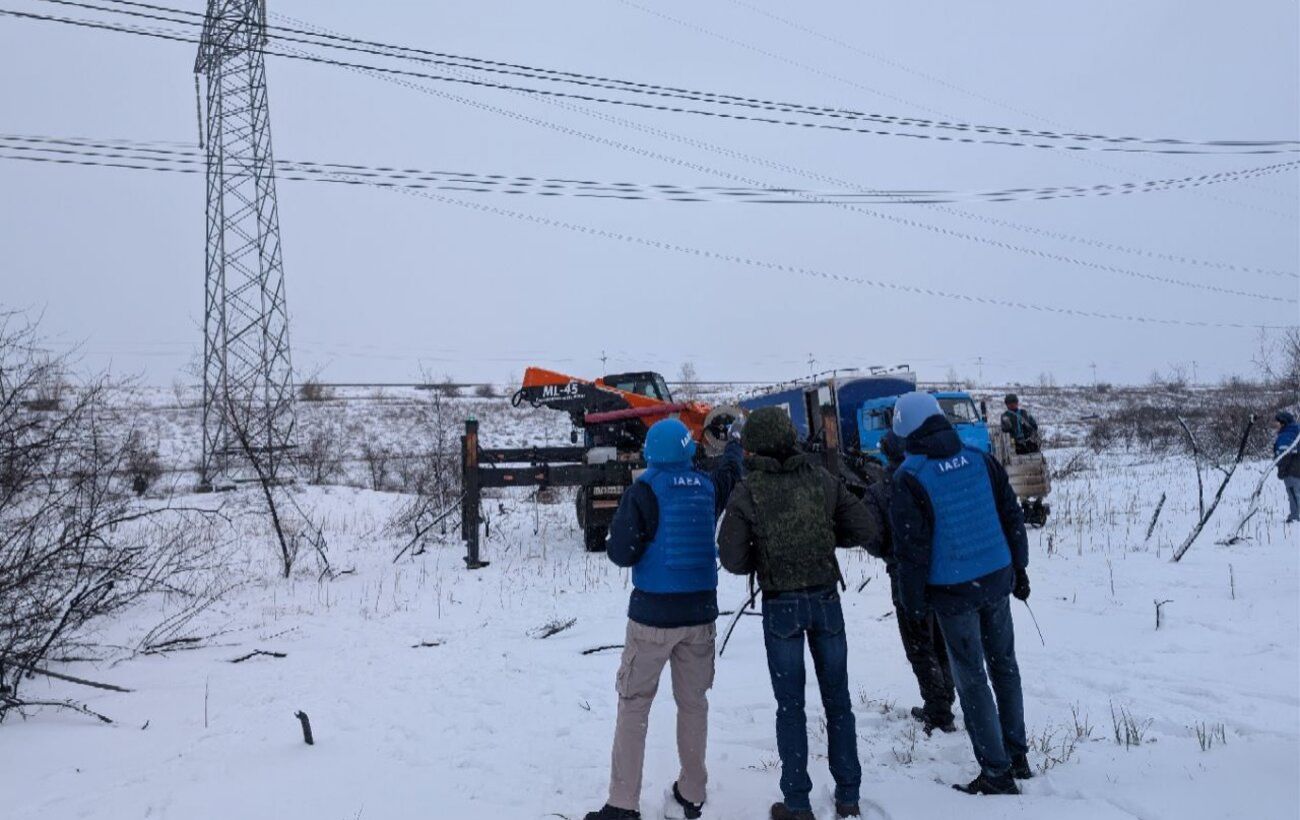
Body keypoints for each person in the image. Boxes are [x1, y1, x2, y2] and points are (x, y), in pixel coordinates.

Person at [718, 407, 882, 820]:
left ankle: (797, 803)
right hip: (826, 600)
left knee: (790, 707)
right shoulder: (821, 480)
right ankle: (849, 796)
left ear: (754, 445)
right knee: (838, 702)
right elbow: (864, 528)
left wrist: (765, 553)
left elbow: (732, 559)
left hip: (782, 607)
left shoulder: (747, 490)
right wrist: (822, 539)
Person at [585, 417, 744, 820]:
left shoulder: (643, 492)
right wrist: (734, 444)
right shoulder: (707, 488)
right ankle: (692, 791)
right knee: (694, 704)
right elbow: (729, 472)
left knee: (634, 703)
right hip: (700, 617)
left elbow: (621, 552)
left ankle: (622, 804)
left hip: (652, 618)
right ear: (688, 451)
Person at [888, 391, 1032, 796]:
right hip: (996, 575)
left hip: (953, 591)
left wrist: (912, 602)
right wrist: (1019, 567)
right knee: (1005, 666)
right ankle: (1017, 756)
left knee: (971, 679)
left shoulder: (909, 477)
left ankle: (996, 772)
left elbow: (911, 551)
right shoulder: (979, 459)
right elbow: (1011, 514)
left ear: (906, 430)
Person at [863, 431, 956, 736]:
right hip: (940, 572)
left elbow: (872, 538)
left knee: (919, 643)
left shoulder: (879, 490)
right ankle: (944, 698)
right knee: (941, 637)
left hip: (903, 574)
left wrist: (892, 553)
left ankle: (938, 708)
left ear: (884, 454)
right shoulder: (930, 479)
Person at [1274, 410, 1300, 524]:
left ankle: (1295, 517)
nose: (1275, 425)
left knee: (1293, 493)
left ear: (1284, 423)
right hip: (1296, 468)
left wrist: (1282, 471)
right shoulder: (1295, 431)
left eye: (1277, 422)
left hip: (1292, 470)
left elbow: (1285, 455)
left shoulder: (1286, 435)